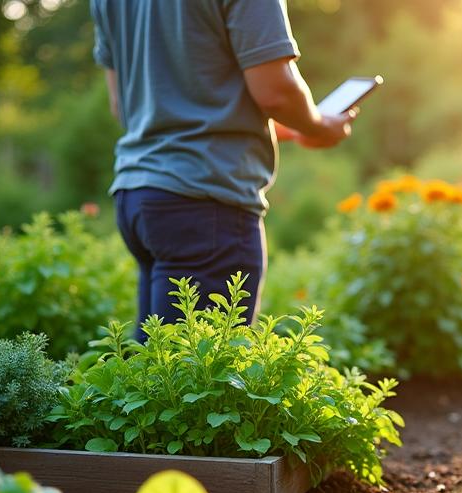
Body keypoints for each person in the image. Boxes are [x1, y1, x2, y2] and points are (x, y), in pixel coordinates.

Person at [90, 0, 355, 339]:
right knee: (202, 379)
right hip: (205, 202)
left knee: (157, 371)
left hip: (140, 195)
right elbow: (276, 93)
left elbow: (122, 104)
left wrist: (277, 128)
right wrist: (319, 125)